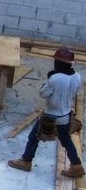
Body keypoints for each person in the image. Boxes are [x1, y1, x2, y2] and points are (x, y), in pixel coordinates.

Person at [11, 47, 82, 177]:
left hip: (50, 116)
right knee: (66, 140)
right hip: (66, 115)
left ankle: (26, 161)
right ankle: (76, 165)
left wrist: (49, 80)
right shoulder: (77, 77)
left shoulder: (55, 79)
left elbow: (43, 94)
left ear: (58, 63)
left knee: (33, 137)